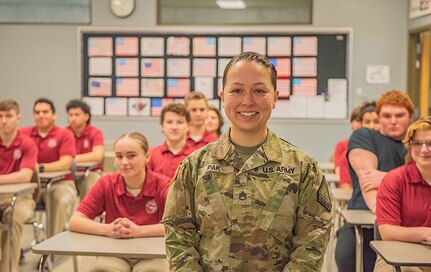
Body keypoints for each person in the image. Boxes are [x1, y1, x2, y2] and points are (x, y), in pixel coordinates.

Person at [162, 52, 333, 271]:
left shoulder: (303, 169)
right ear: (223, 96)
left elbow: (311, 243)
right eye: (237, 90)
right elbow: (179, 237)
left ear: (275, 98)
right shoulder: (195, 166)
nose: (247, 101)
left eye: (259, 91)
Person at [335, 90, 414, 272]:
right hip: (364, 221)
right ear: (379, 117)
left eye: (399, 115)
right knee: (347, 258)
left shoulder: (419, 145)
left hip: (409, 227)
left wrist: (385, 177)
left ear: (410, 116)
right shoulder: (365, 136)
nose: (393, 121)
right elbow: (368, 180)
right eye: (386, 116)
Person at [69, 132, 170, 272]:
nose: (124, 162)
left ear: (147, 157)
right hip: (115, 252)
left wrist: (139, 231)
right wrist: (108, 229)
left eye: (131, 155)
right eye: (119, 156)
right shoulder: (106, 183)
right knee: (100, 269)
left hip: (153, 253)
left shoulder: (164, 185)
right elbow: (76, 221)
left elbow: (181, 226)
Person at [375, 117, 431, 272]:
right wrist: (426, 233)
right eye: (417, 143)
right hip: (397, 252)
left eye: (430, 143)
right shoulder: (395, 179)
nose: (424, 149)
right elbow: (387, 232)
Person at [20, 97, 77, 237]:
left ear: (54, 115)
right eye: (37, 112)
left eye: (45, 112)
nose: (41, 115)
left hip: (61, 183)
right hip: (31, 186)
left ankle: (52, 247)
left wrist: (40, 168)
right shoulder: (23, 134)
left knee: (60, 199)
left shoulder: (65, 134)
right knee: (11, 204)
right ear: (33, 115)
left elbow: (66, 163)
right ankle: (14, 250)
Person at [0, 99, 37, 272]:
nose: (4, 121)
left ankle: (8, 268)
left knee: (12, 215)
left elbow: (25, 175)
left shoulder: (27, 143)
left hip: (22, 198)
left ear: (18, 118)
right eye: (0, 116)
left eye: (8, 116)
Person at [334, 101, 380, 189]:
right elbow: (345, 184)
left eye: (376, 121)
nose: (372, 126)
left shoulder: (390, 147)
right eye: (367, 122)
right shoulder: (348, 152)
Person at [66, 99, 104, 200]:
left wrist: (70, 159)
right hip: (68, 173)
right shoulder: (64, 133)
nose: (73, 118)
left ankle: (92, 214)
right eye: (70, 115)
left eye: (77, 115)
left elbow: (97, 155)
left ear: (86, 117)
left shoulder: (95, 133)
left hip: (91, 172)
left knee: (93, 181)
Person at [148, 103, 191, 178]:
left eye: (180, 122)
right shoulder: (150, 156)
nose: (174, 127)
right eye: (169, 122)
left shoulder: (197, 156)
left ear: (188, 126)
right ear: (162, 126)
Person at [334, 105, 362, 189]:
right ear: (351, 123)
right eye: (357, 120)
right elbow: (339, 173)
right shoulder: (343, 148)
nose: (360, 124)